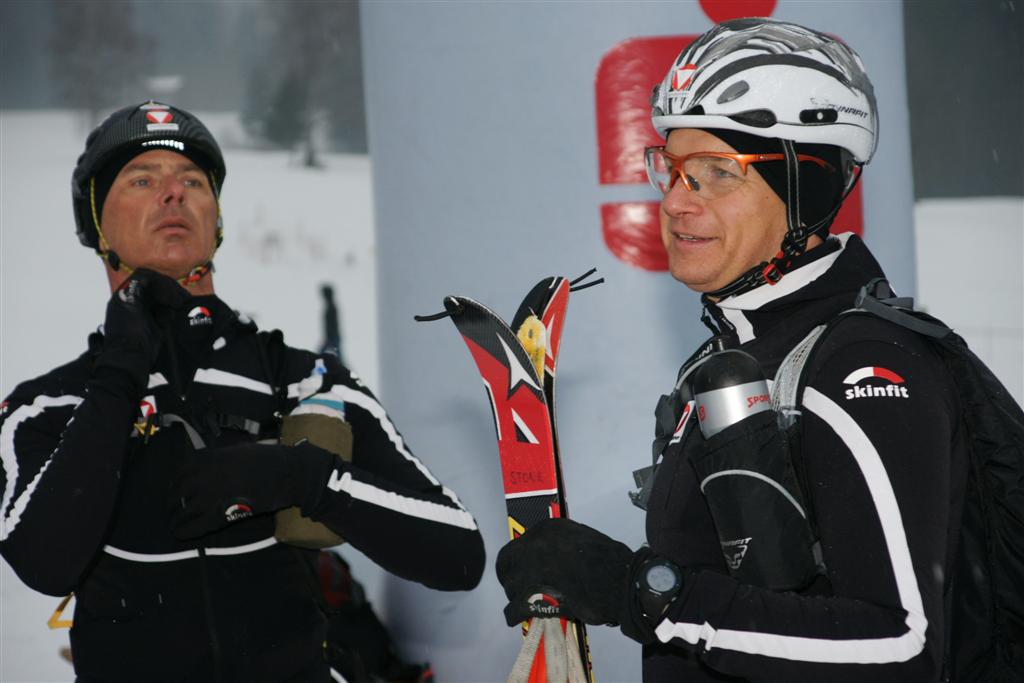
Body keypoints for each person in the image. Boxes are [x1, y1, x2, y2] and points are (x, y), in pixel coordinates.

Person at [496, 18, 975, 682]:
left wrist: (646, 593)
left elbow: (900, 648)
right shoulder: (730, 356)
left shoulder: (862, 365)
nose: (674, 202)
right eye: (670, 169)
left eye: (717, 172)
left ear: (806, 184)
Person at [0, 101, 485, 682]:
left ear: (217, 218)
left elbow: (458, 554)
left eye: (193, 181)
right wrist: (121, 368)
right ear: (96, 225)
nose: (173, 193)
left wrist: (300, 477)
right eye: (142, 180)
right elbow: (43, 561)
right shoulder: (50, 405)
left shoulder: (301, 381)